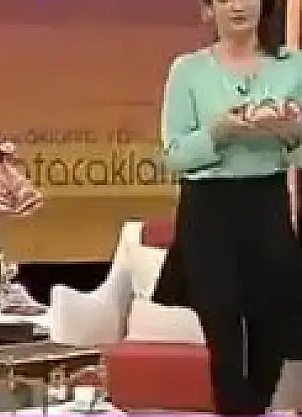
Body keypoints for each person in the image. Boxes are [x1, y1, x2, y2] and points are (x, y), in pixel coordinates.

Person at [154, 0, 302, 413]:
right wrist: (217, 133)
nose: (238, 5)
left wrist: (290, 134)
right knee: (223, 336)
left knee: (272, 328)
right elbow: (175, 156)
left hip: (266, 202)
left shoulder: (294, 66)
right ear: (208, 10)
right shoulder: (187, 71)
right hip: (209, 210)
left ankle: (252, 408)